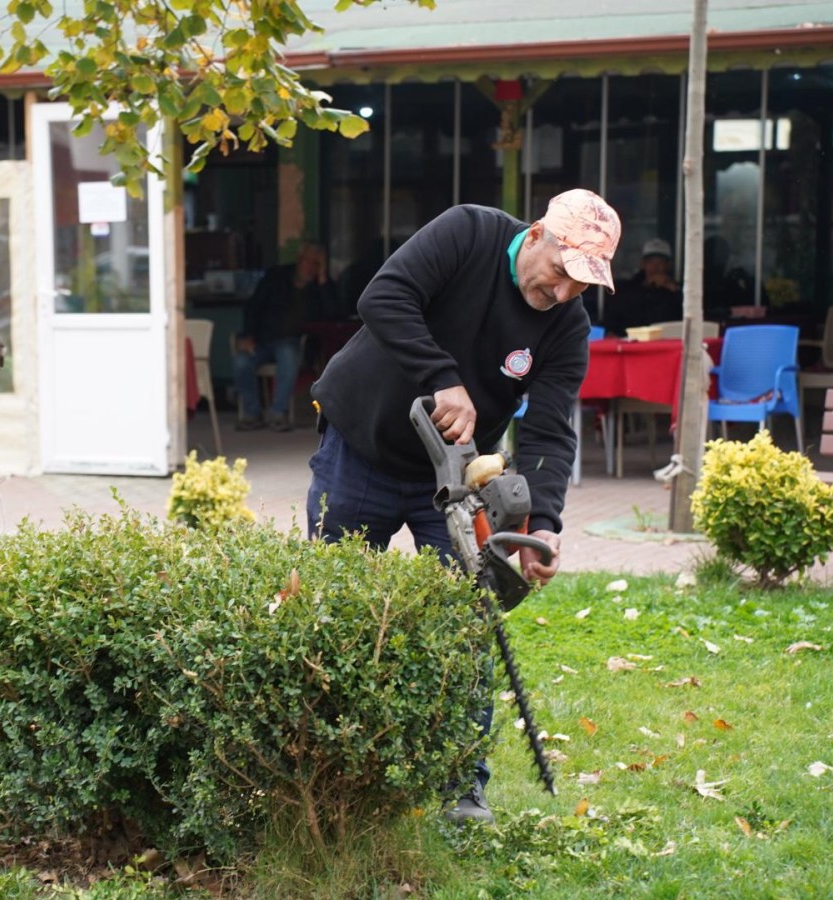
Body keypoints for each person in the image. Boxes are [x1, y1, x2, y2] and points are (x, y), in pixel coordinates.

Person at [306, 190, 621, 824]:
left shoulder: (566, 326)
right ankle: (320, 767)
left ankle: (462, 785)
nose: (562, 294)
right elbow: (382, 297)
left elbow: (551, 432)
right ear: (537, 236)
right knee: (330, 608)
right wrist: (442, 377)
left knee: (466, 624)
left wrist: (545, 526)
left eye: (580, 287)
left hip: (451, 479)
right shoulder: (468, 233)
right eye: (561, 274)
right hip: (359, 446)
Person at [232, 242, 337, 432]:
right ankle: (252, 413)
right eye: (308, 261)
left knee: (288, 354)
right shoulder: (276, 277)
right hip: (262, 339)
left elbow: (333, 313)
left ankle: (278, 413)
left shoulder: (320, 287)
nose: (311, 267)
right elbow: (253, 307)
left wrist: (322, 278)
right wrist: (247, 335)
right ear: (299, 260)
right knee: (241, 362)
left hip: (293, 342)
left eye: (317, 264)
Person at [601, 237, 682, 336]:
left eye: (660, 262)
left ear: (668, 265)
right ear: (643, 264)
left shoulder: (677, 291)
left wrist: (673, 290)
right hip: (632, 345)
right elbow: (611, 322)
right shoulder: (628, 290)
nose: (655, 267)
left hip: (665, 344)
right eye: (650, 262)